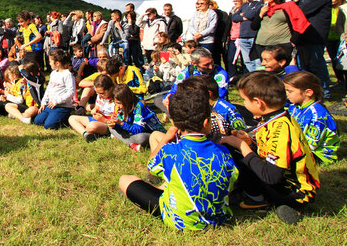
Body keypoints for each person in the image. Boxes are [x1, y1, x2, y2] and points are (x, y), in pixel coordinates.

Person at [119, 78, 238, 231]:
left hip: (181, 220)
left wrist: (167, 137)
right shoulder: (223, 152)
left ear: (175, 123)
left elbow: (151, 165)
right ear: (206, 123)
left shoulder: (171, 152)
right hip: (219, 217)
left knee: (125, 180)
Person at [222, 71, 320, 225]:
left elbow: (271, 176)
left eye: (244, 100)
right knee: (237, 149)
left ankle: (259, 198)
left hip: (296, 193)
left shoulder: (281, 129)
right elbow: (267, 152)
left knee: (238, 153)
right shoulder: (276, 117)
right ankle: (256, 194)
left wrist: (242, 146)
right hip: (282, 180)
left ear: (258, 102)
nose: (243, 104)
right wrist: (249, 142)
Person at [283, 71, 340, 165]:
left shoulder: (317, 116)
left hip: (318, 155)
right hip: (300, 147)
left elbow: (310, 146)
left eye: (290, 91)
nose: (286, 94)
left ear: (308, 92)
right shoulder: (294, 107)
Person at [294, 0, 332, 93]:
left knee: (316, 64)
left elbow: (302, 10)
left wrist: (298, 2)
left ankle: (323, 91)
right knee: (305, 66)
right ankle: (310, 90)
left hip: (315, 34)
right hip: (303, 34)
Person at [108, 84, 165, 151]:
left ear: (127, 100)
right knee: (111, 128)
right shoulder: (123, 108)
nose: (117, 106)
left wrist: (120, 123)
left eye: (119, 103)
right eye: (116, 103)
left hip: (152, 133)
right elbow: (124, 125)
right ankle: (131, 144)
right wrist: (115, 124)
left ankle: (127, 141)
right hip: (134, 132)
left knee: (140, 138)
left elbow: (138, 129)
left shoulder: (138, 106)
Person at [33, 49, 75, 129]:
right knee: (37, 121)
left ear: (57, 63)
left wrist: (56, 101)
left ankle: (66, 118)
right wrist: (44, 102)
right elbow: (49, 89)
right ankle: (53, 117)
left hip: (62, 106)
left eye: (50, 61)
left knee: (49, 126)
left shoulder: (67, 75)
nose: (49, 63)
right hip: (50, 106)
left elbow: (71, 92)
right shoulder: (53, 73)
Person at [68, 74, 115, 142]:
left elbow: (119, 120)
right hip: (97, 120)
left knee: (91, 126)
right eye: (97, 93)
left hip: (108, 124)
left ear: (110, 89)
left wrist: (104, 120)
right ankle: (86, 134)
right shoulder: (100, 96)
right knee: (72, 118)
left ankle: (103, 132)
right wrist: (94, 110)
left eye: (101, 93)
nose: (99, 95)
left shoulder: (116, 99)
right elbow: (97, 106)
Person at [231, 0, 262, 72]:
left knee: (257, 60)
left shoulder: (260, 3)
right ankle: (253, 76)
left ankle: (260, 76)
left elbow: (252, 14)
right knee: (247, 61)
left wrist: (243, 15)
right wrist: (244, 17)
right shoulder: (244, 6)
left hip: (254, 35)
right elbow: (234, 17)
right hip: (242, 36)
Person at [326, 0, 346, 83]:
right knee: (334, 59)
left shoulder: (343, 9)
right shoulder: (328, 9)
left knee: (343, 60)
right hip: (329, 38)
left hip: (340, 38)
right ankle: (340, 79)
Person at [225, 0, 245, 82]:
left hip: (242, 36)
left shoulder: (245, 10)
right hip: (232, 37)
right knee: (230, 58)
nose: (235, 2)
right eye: (234, 1)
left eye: (237, 0)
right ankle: (233, 76)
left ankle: (245, 77)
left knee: (244, 59)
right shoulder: (233, 10)